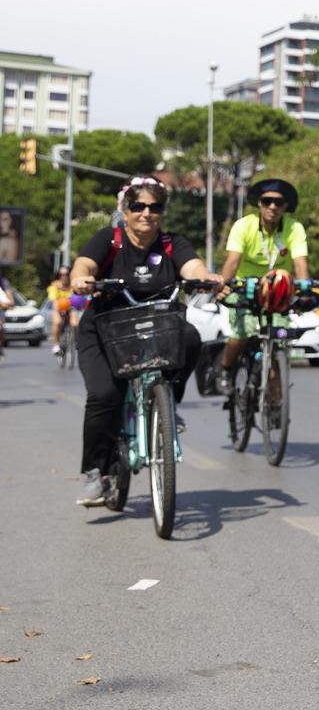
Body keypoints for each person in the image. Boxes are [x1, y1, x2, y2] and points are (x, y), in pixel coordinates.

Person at [70, 177, 223, 505]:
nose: (146, 213)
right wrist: (81, 278)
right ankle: (97, 473)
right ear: (125, 210)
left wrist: (205, 277)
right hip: (104, 331)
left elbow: (192, 264)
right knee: (104, 395)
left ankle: (168, 400)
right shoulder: (109, 239)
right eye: (138, 206)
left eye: (155, 207)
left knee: (191, 337)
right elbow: (85, 263)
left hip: (156, 327)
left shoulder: (171, 243)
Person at [215, 179, 311, 394]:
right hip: (245, 289)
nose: (273, 207)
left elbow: (300, 262)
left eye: (279, 202)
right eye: (267, 201)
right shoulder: (244, 225)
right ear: (259, 204)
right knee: (243, 332)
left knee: (278, 339)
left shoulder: (294, 228)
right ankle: (225, 370)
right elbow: (232, 261)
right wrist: (221, 286)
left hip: (278, 293)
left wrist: (305, 291)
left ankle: (276, 401)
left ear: (286, 206)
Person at [46, 266, 81, 355]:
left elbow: (78, 298)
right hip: (59, 307)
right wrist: (58, 308)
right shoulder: (54, 286)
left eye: (66, 274)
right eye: (61, 275)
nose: (63, 276)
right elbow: (53, 300)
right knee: (57, 322)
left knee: (75, 323)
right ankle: (56, 345)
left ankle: (77, 341)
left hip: (71, 307)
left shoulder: (73, 285)